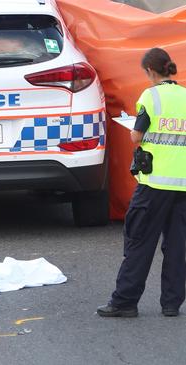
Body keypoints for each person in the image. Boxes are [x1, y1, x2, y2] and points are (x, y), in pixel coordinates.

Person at [98, 48, 186, 318]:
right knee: (178, 245)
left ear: (149, 70)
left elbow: (137, 136)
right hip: (182, 185)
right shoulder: (185, 95)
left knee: (139, 242)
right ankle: (171, 304)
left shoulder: (151, 96)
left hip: (154, 185)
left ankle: (125, 302)